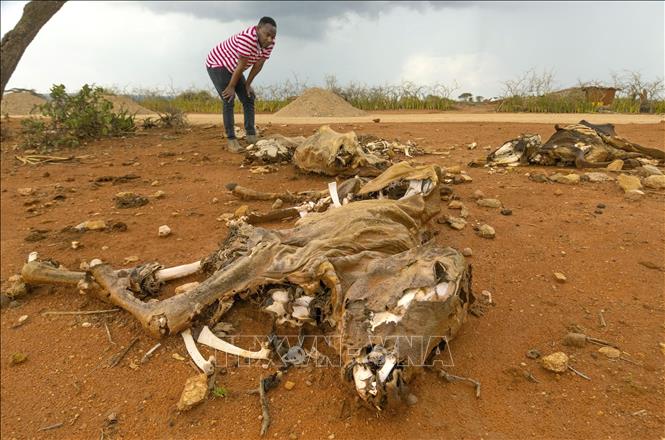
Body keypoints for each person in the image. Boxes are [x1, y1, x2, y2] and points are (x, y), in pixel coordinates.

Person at [205, 17, 277, 152]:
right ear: (257, 29)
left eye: (273, 36)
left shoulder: (270, 43)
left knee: (248, 97)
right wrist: (231, 86)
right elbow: (242, 64)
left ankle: (250, 135)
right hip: (218, 64)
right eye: (267, 35)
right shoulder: (247, 38)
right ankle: (231, 140)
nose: (270, 39)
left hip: (235, 67)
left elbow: (258, 65)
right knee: (228, 98)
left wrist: (248, 84)